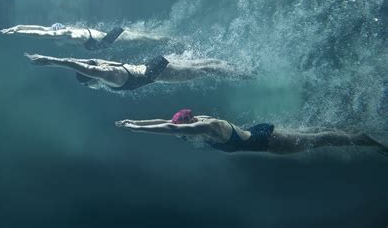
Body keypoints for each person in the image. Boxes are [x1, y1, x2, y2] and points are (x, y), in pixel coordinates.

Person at [115, 109, 387, 154]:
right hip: (259, 133)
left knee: (319, 140)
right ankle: (356, 134)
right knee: (314, 133)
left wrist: (138, 131)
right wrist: (136, 123)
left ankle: (363, 139)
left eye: (185, 132)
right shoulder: (200, 120)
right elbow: (168, 123)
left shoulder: (208, 126)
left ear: (191, 124)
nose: (185, 136)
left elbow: (169, 128)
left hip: (267, 141)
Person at [25, 54, 255, 91]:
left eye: (88, 83)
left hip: (159, 72)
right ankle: (241, 66)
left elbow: (80, 65)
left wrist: (49, 61)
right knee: (206, 63)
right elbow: (86, 61)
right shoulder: (107, 68)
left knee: (207, 69)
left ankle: (246, 74)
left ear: (91, 78)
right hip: (153, 64)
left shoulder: (105, 77)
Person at [0, 23, 168, 50]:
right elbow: (40, 31)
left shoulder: (64, 33)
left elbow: (39, 32)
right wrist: (18, 29)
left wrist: (17, 29)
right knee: (139, 38)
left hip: (102, 41)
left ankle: (163, 39)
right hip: (103, 41)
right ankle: (164, 39)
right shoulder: (66, 31)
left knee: (139, 39)